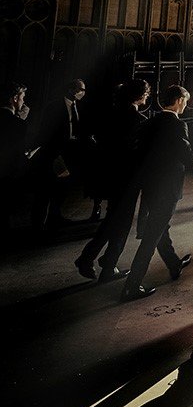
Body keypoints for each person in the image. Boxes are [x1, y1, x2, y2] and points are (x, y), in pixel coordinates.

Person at [114, 84, 193, 302]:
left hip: (151, 186)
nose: (185, 105)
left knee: (160, 226)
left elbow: (137, 150)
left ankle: (173, 264)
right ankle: (131, 286)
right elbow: (185, 151)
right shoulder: (177, 125)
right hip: (167, 188)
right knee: (152, 236)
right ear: (179, 100)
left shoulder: (150, 121)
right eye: (185, 100)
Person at [75, 78, 151, 282]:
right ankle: (92, 259)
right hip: (128, 178)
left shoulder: (111, 115)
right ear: (141, 96)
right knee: (118, 222)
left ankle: (107, 264)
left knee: (116, 220)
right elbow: (140, 153)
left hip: (110, 174)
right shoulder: (140, 121)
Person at [30, 78, 89, 234]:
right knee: (46, 188)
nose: (82, 93)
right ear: (71, 89)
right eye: (80, 89)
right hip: (54, 151)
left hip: (70, 150)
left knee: (62, 186)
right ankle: (37, 223)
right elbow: (47, 130)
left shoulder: (78, 106)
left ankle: (55, 216)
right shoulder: (54, 106)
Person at [0, 82, 31, 242]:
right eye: (22, 98)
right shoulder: (18, 124)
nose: (23, 102)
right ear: (14, 98)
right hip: (8, 173)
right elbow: (18, 150)